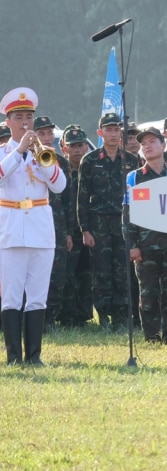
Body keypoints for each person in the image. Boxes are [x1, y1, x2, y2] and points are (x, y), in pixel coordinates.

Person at [0, 88, 67, 365]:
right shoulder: (5, 152)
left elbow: (60, 186)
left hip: (40, 231)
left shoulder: (46, 153)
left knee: (38, 296)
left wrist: (43, 160)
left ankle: (35, 356)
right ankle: (14, 356)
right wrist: (19, 152)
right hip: (11, 231)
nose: (25, 123)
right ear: (8, 122)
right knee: (12, 296)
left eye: (29, 117)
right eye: (19, 117)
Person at [78, 111, 141, 329]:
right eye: (109, 130)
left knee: (123, 270)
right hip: (98, 224)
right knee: (101, 271)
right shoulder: (90, 160)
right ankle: (104, 315)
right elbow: (82, 196)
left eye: (117, 130)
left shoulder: (132, 160)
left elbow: (139, 196)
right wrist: (85, 229)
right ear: (100, 132)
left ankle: (122, 317)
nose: (113, 134)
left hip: (124, 223)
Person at [125, 127, 167, 343]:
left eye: (152, 141)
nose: (147, 146)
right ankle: (151, 335)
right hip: (145, 246)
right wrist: (132, 244)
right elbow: (127, 214)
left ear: (163, 145)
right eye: (144, 143)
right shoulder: (134, 177)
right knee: (148, 293)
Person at [33, 115, 72, 330]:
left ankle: (50, 320)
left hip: (57, 226)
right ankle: (32, 319)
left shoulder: (61, 161)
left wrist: (67, 232)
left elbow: (67, 201)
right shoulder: (25, 158)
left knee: (56, 273)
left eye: (49, 133)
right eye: (42, 133)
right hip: (34, 223)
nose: (47, 137)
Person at [57, 125, 95, 327]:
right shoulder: (59, 170)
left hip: (89, 229)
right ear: (64, 148)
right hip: (69, 230)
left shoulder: (92, 169)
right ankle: (67, 316)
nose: (77, 150)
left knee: (86, 273)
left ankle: (84, 314)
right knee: (68, 273)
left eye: (80, 145)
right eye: (72, 146)